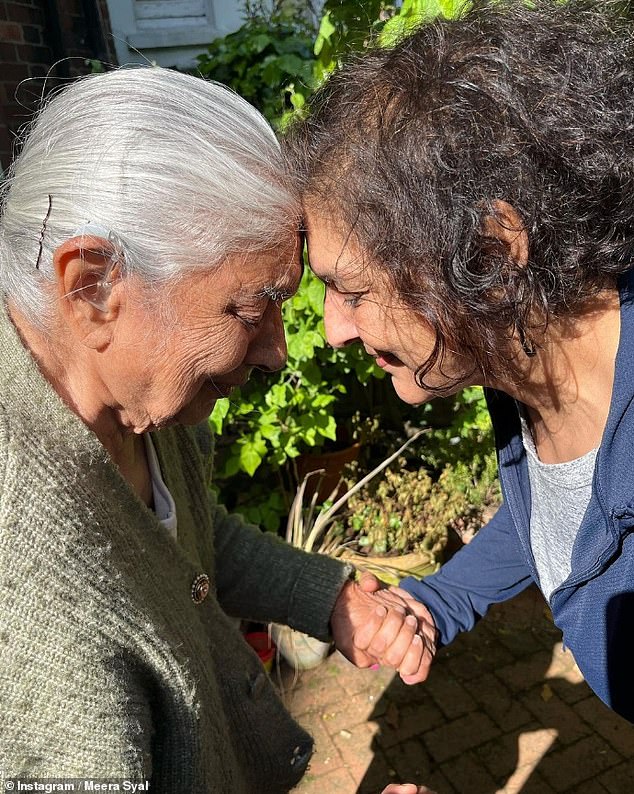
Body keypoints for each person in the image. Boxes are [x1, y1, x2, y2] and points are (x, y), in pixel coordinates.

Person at [0, 66, 429, 791]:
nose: (278, 350)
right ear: (92, 287)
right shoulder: (26, 586)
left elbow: (192, 540)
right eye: (247, 308)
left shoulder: (131, 402)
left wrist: (330, 598)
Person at [283, 0, 634, 725]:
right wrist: (440, 600)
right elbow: (553, 507)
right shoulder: (519, 360)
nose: (333, 332)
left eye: (351, 290)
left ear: (492, 253)